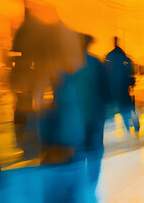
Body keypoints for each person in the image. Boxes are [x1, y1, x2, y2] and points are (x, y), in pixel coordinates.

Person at [41, 34, 111, 202]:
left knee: (77, 152)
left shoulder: (63, 64)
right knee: (94, 151)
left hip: (74, 118)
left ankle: (80, 187)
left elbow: (55, 90)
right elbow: (105, 89)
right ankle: (90, 186)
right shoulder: (95, 63)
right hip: (92, 115)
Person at [104, 37, 140, 133]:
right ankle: (135, 125)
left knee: (121, 108)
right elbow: (131, 70)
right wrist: (131, 81)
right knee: (128, 107)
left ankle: (128, 128)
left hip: (115, 88)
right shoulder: (124, 57)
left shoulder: (110, 56)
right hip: (124, 87)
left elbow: (106, 71)